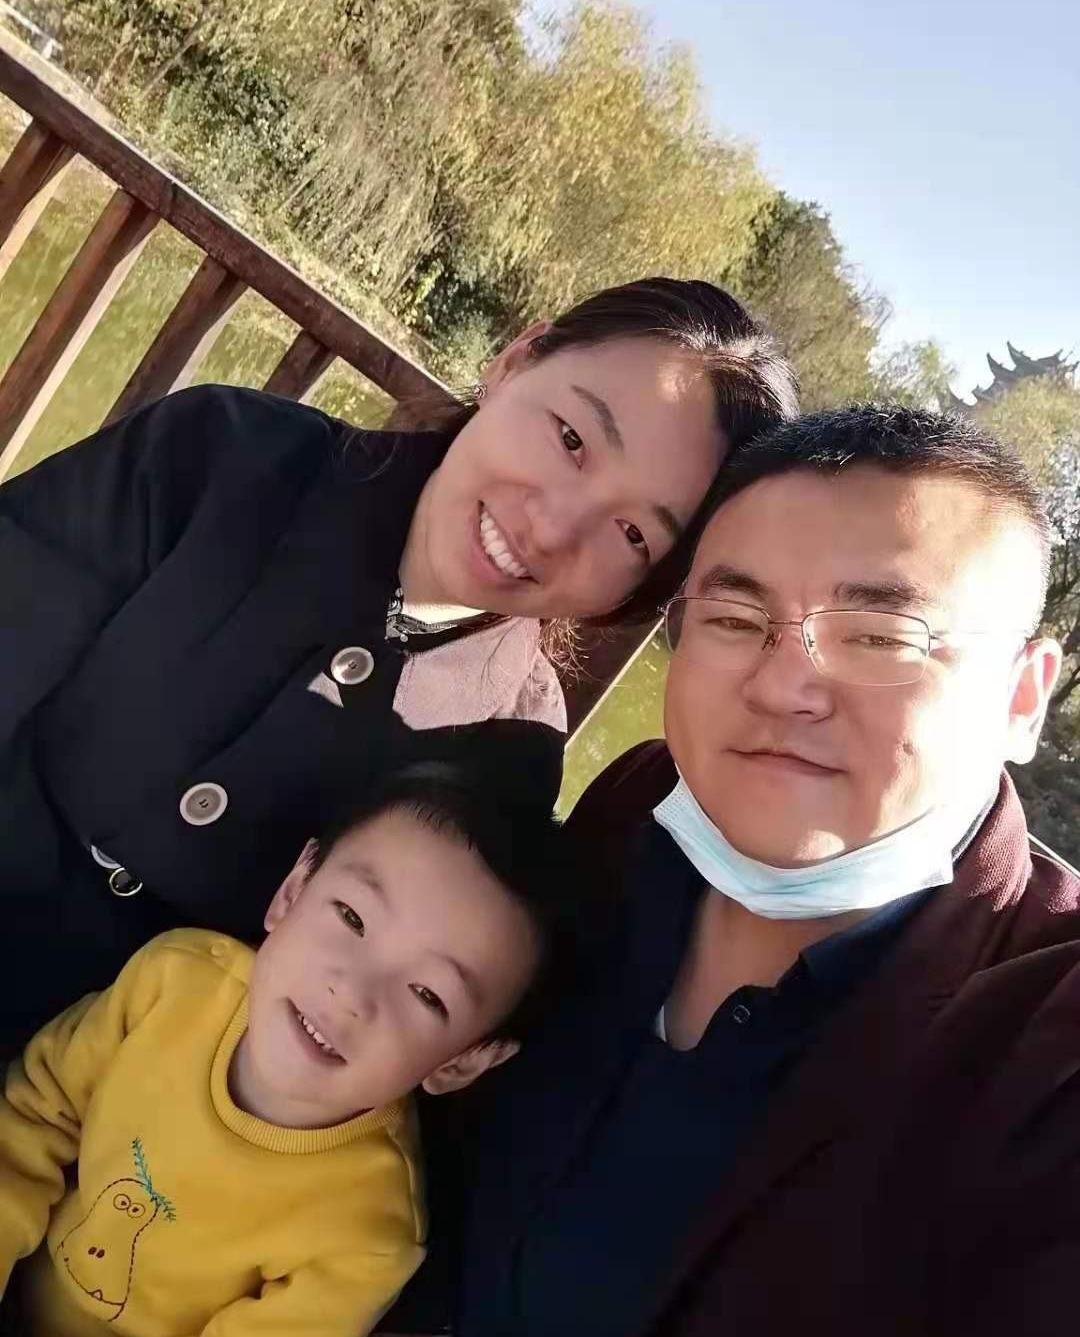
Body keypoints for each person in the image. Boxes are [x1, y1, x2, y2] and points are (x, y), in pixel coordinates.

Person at [0, 277, 799, 1058]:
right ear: (515, 362)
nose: (552, 528)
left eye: (632, 535)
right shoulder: (225, 454)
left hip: (107, 1087)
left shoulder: (508, 752)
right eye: (571, 439)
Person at [445, 404, 1080, 1337]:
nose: (783, 688)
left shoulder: (1047, 1048)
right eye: (737, 620)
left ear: (1022, 696)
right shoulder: (640, 809)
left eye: (880, 636)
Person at [0, 767, 583, 1337]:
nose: (350, 992)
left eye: (428, 994)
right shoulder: (173, 981)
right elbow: (30, 1118)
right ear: (293, 891)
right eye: (352, 917)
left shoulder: (368, 1230)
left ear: (462, 1062)